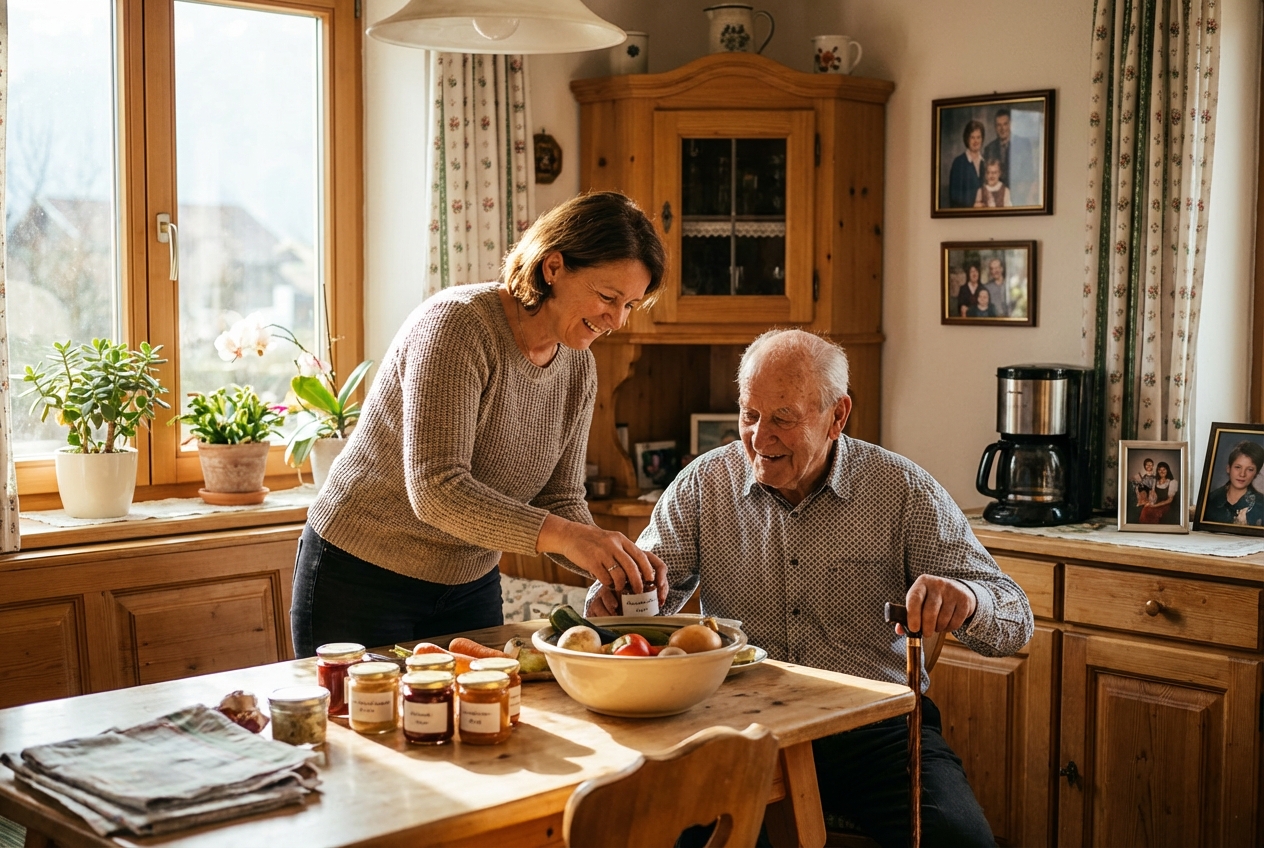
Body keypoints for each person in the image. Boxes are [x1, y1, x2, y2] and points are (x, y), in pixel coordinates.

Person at [588, 329, 1033, 847]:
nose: (759, 437)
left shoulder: (902, 490)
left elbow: (1014, 621)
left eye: (783, 418)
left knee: (961, 842)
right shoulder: (703, 484)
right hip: (740, 731)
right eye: (749, 415)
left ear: (837, 416)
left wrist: (971, 599)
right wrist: (615, 603)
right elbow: (645, 599)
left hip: (876, 736)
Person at [290, 192, 670, 657]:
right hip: (361, 573)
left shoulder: (578, 367)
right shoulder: (458, 325)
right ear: (553, 268)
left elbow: (559, 498)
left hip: (468, 584)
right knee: (357, 725)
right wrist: (573, 538)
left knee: (487, 721)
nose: (617, 320)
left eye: (630, 304)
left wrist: (605, 566)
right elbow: (436, 489)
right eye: (608, 297)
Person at [1202, 440, 1264, 527]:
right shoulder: (1210, 500)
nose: (1242, 474)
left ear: (1256, 473)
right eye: (1238, 467)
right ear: (1228, 468)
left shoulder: (1261, 504)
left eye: (1250, 469)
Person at [982, 108, 1036, 205]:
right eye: (999, 125)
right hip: (996, 201)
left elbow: (1029, 175)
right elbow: (986, 179)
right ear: (995, 127)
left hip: (1018, 199)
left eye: (1005, 124)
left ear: (1011, 124)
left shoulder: (1023, 144)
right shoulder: (989, 149)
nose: (1002, 129)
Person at [948, 120, 987, 208]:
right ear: (967, 139)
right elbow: (954, 196)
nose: (975, 141)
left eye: (978, 137)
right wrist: (972, 205)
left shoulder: (985, 162)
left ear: (982, 139)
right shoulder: (958, 163)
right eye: (972, 137)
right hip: (965, 217)